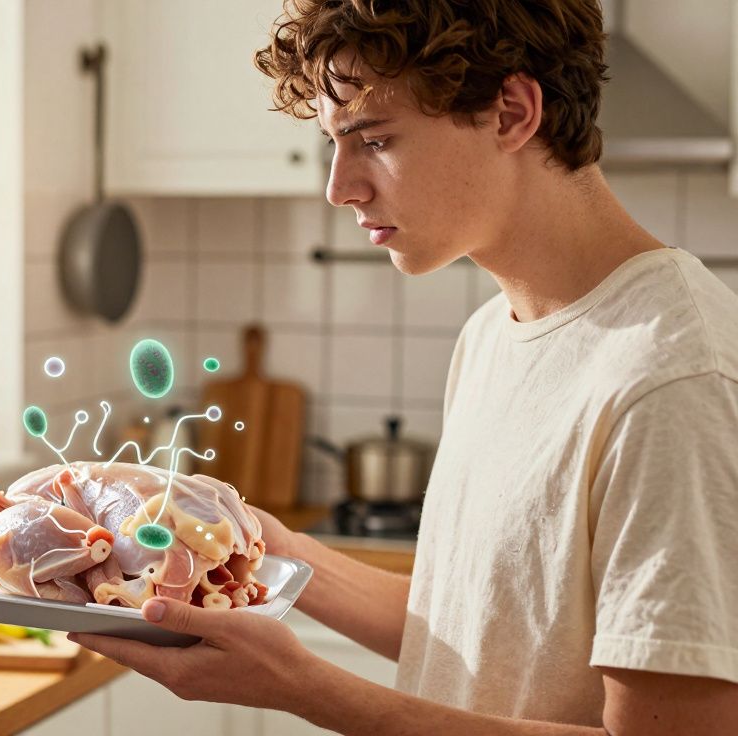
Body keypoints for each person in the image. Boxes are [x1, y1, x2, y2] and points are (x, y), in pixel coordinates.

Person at [68, 0, 738, 732]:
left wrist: (306, 689)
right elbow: (472, 633)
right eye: (334, 143)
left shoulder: (673, 378)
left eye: (374, 139)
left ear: (512, 112)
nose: (339, 187)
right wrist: (261, 543)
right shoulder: (491, 335)